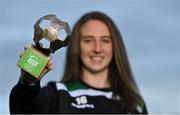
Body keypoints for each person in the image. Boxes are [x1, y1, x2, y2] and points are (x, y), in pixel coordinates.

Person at [10, 11, 148, 114]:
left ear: (115, 46)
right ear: (76, 46)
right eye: (88, 40)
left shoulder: (134, 104)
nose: (97, 49)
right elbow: (23, 109)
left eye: (105, 40)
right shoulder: (57, 95)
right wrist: (28, 82)